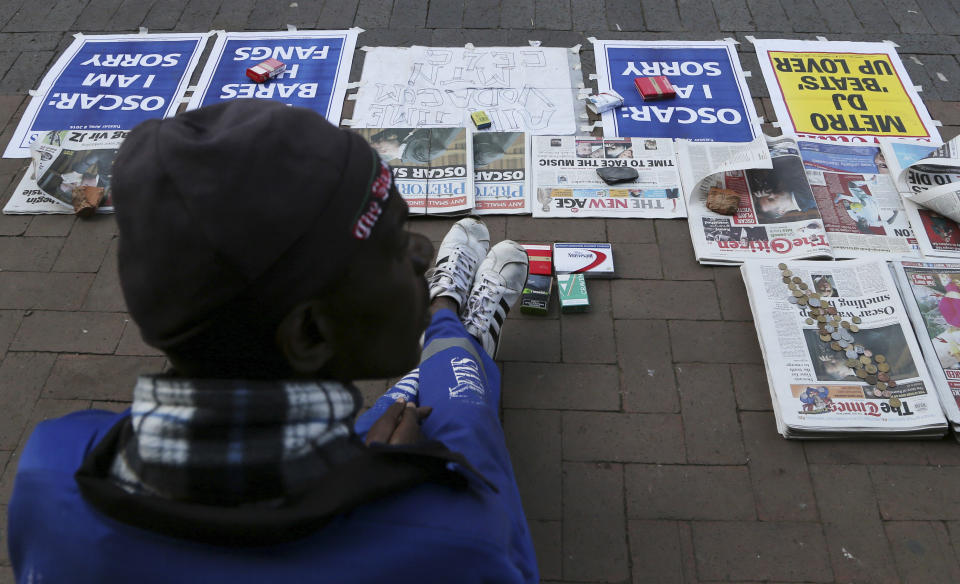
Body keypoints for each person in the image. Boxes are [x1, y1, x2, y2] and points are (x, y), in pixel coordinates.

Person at [7, 100, 537, 584]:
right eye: (398, 245)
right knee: (460, 420)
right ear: (309, 333)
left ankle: (444, 340)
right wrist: (384, 483)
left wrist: (360, 472)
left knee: (413, 404)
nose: (421, 255)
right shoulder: (460, 539)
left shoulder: (50, 469)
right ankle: (454, 325)